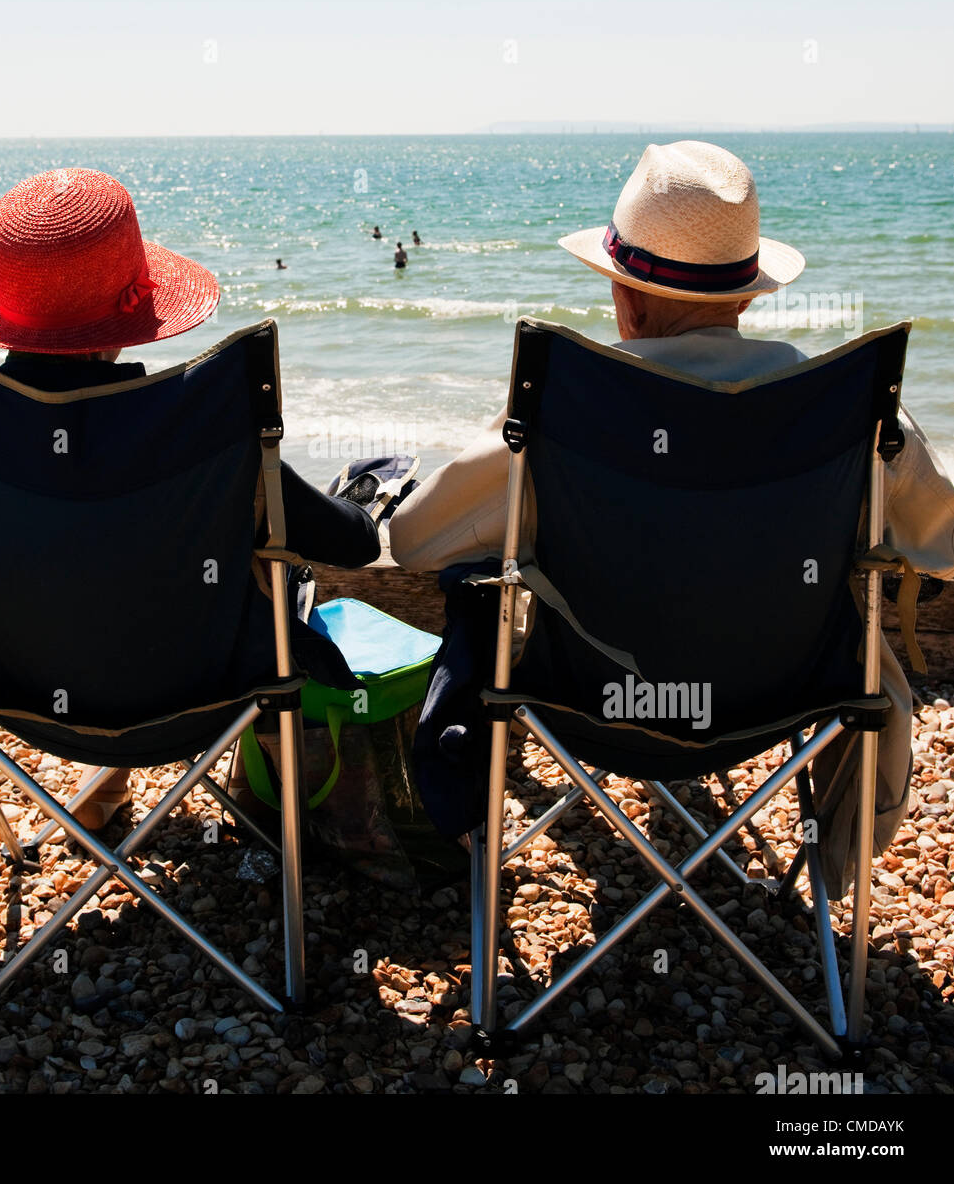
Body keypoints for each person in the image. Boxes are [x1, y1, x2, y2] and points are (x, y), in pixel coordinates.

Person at [390, 139, 954, 890]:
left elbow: (411, 542)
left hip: (591, 703)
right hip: (786, 698)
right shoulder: (846, 413)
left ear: (625, 295)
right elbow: (943, 546)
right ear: (748, 295)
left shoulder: (563, 417)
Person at [0, 168, 381, 830]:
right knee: (283, 582)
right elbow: (355, 545)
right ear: (128, 317)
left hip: (6, 695)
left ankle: (105, 788)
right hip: (207, 696)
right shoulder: (197, 429)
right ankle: (281, 814)